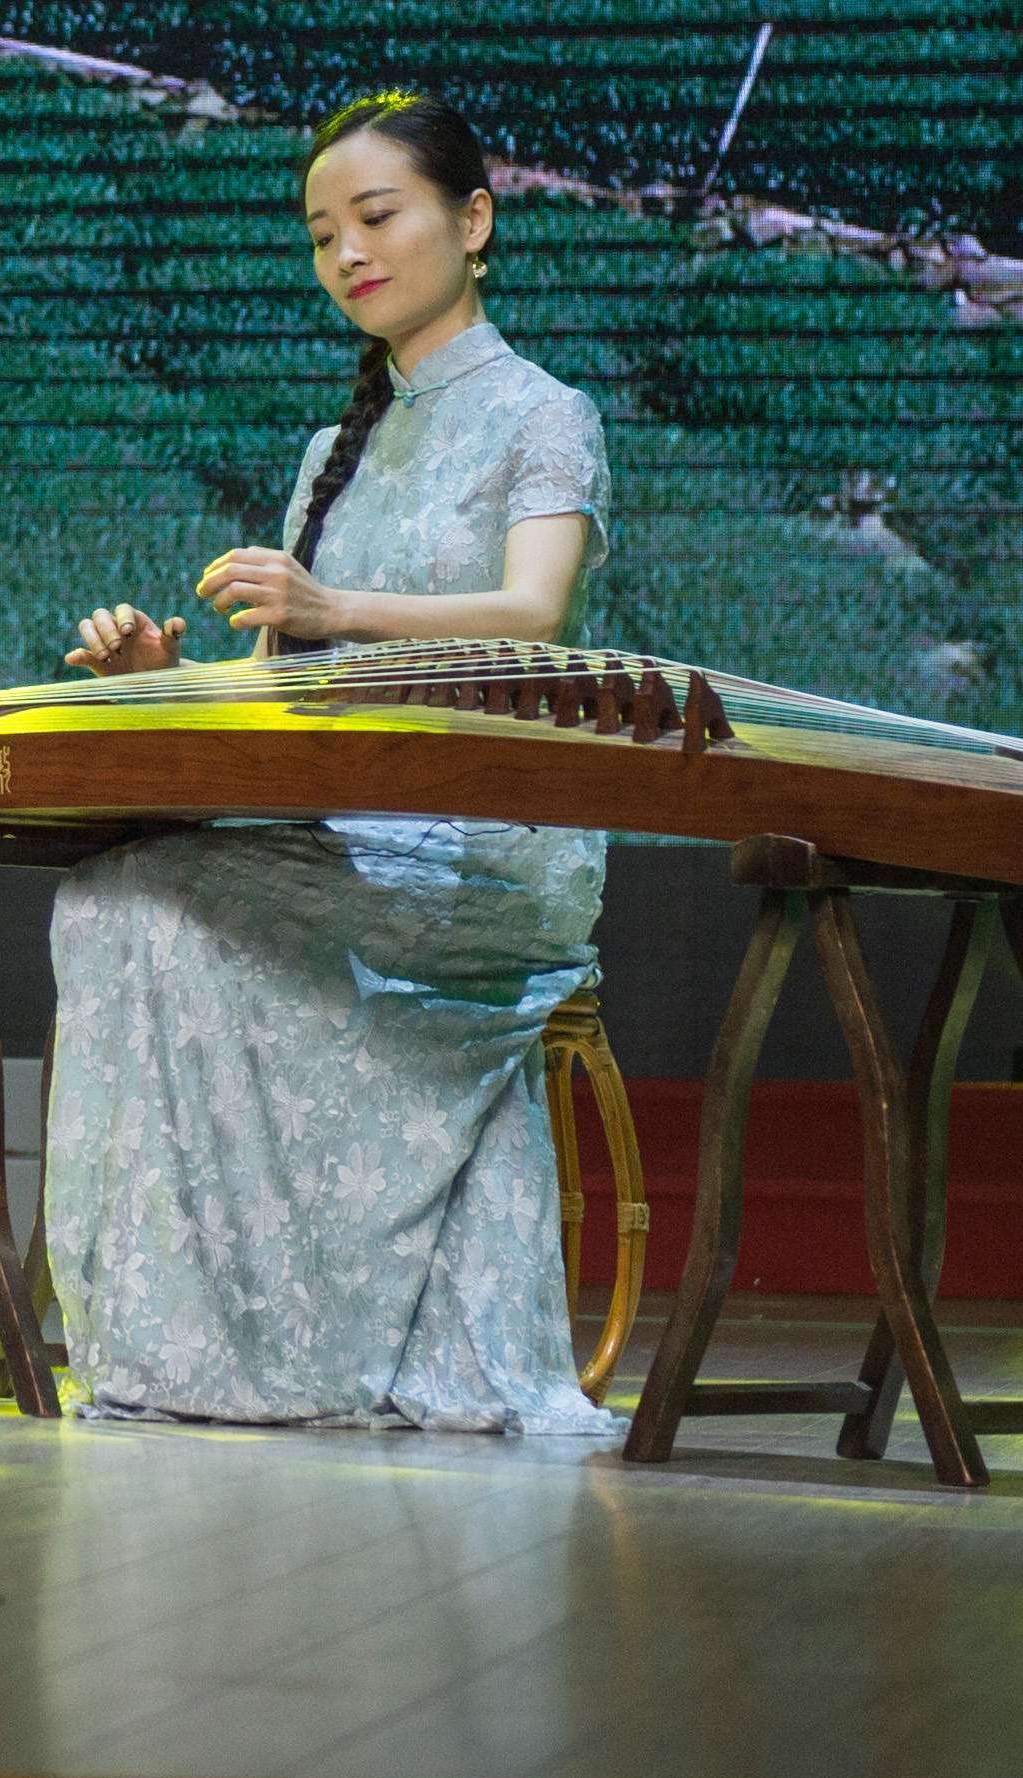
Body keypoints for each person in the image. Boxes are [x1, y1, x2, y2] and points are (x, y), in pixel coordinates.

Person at [43, 91, 614, 1432]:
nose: (346, 254)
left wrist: (332, 606)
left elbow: (533, 615)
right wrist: (159, 679)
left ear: (472, 222)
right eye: (319, 235)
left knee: (169, 902)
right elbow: (278, 684)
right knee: (116, 894)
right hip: (348, 828)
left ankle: (294, 1336)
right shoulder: (330, 453)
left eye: (374, 216)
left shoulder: (545, 414)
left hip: (483, 846)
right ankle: (209, 1336)